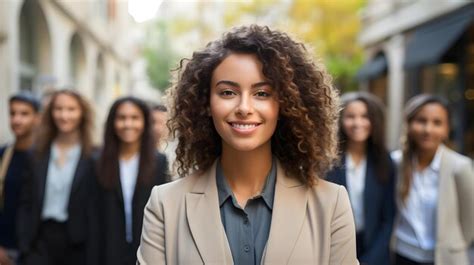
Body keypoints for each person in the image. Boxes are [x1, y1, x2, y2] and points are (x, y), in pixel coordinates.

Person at [137, 25, 358, 265]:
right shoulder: (165, 204)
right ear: (206, 103)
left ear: (285, 104)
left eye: (262, 93)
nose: (244, 107)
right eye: (228, 92)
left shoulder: (330, 204)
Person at [391, 94, 474, 265]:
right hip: (401, 255)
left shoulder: (460, 167)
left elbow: (470, 220)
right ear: (409, 123)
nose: (428, 129)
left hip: (446, 259)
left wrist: (454, 245)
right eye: (421, 121)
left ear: (447, 129)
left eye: (437, 123)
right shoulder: (395, 163)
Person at [17, 89, 97, 265]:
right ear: (50, 113)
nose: (64, 115)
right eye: (58, 109)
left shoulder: (94, 156)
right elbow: (25, 201)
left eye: (71, 109)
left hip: (77, 243)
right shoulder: (37, 153)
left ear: (82, 113)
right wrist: (24, 245)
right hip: (39, 240)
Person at [95, 97, 168, 265]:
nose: (128, 124)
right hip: (107, 249)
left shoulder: (159, 162)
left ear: (145, 122)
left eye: (135, 118)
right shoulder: (98, 161)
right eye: (122, 118)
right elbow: (93, 215)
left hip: (147, 248)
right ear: (112, 122)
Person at [326, 92, 395, 265]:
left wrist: (372, 259)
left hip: (374, 247)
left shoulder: (385, 162)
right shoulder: (327, 161)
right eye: (351, 116)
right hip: (335, 244)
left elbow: (389, 218)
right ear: (341, 120)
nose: (358, 123)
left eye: (365, 116)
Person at [0, 93, 40, 265]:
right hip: (4, 249)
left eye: (24, 114)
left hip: (36, 251)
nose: (17, 120)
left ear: (37, 118)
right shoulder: (3, 154)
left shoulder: (45, 157)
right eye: (12, 113)